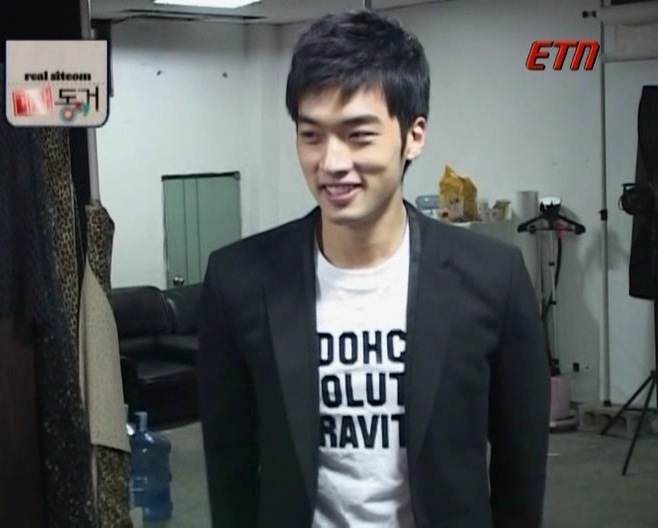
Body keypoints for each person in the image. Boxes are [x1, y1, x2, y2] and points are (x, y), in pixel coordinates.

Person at [197, 8, 550, 528]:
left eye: (358, 135)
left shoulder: (494, 278)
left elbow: (521, 473)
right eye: (311, 135)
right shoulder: (239, 282)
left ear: (414, 135)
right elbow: (230, 471)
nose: (331, 163)